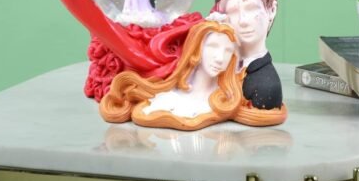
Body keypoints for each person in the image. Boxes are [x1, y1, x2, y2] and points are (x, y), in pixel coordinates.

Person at [99, 18, 286, 130]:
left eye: (228, 51)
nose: (219, 58)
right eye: (212, 47)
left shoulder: (226, 101)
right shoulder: (164, 98)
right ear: (196, 49)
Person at [214, 0, 283, 111]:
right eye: (233, 11)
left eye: (251, 9)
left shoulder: (266, 85)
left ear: (272, 10)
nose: (243, 20)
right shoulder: (216, 66)